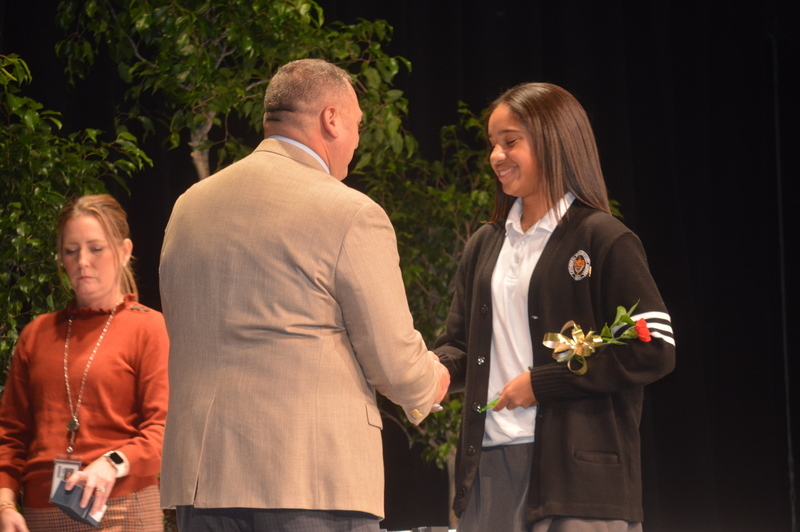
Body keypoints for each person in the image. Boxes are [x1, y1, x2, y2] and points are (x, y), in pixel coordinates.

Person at [158, 58, 450, 532]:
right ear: (331, 119)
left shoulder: (188, 207)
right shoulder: (349, 212)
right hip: (309, 478)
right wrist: (431, 382)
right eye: (357, 125)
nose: (356, 141)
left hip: (203, 481)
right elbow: (393, 357)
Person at [434, 83, 676, 531]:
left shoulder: (603, 238)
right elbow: (461, 346)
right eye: (493, 144)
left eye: (511, 141)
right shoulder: (484, 244)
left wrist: (543, 383)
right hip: (490, 468)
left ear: (553, 142)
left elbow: (654, 345)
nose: (497, 156)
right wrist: (428, 374)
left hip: (580, 480)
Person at [0, 194, 170, 531]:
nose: (82, 261)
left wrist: (112, 463)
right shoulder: (37, 335)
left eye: (96, 248)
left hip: (123, 508)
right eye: (70, 250)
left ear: (124, 251)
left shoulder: (148, 328)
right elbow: (11, 435)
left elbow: (164, 429)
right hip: (40, 513)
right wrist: (5, 504)